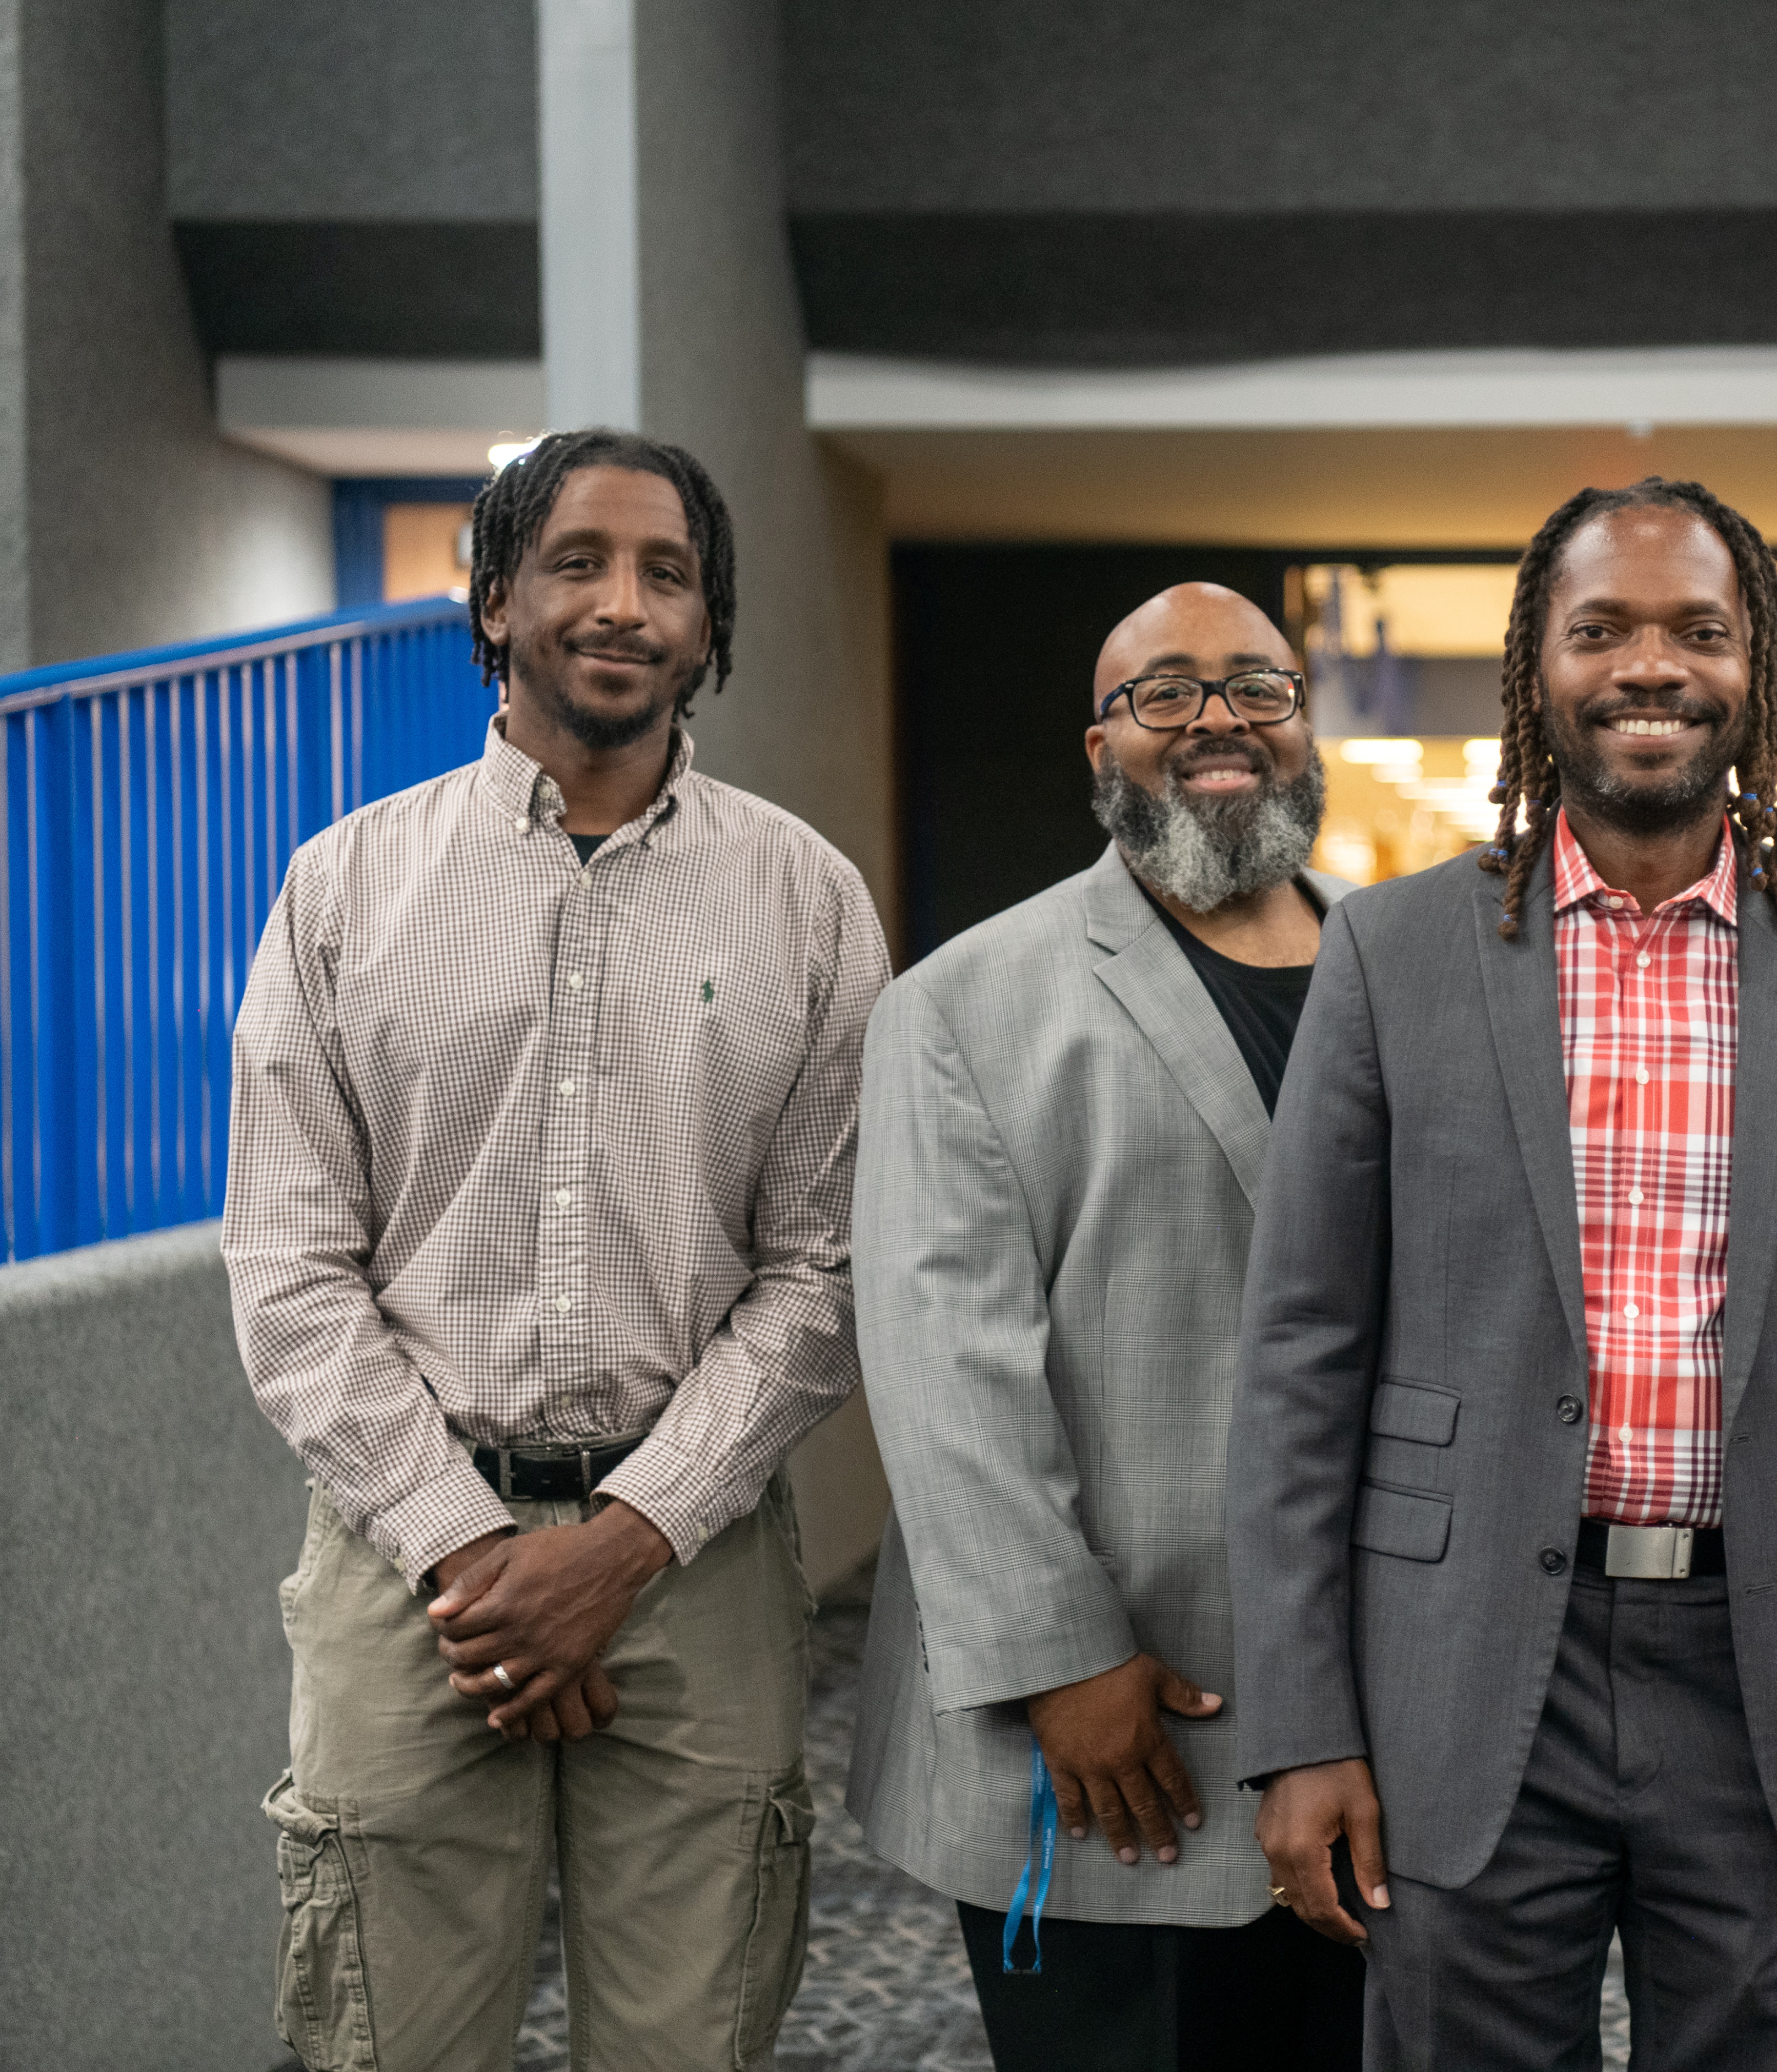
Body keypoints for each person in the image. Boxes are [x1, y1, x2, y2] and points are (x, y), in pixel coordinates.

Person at [1226, 476, 1777, 2071]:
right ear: (1539, 664)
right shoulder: (1392, 955)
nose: (1649, 668)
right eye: (1599, 629)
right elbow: (1300, 1359)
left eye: (1698, 631)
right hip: (1461, 1679)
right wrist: (1304, 1723)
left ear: (1760, 669)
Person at [226, 429, 887, 2068]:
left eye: (668, 573)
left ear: (711, 626)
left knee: (693, 2042)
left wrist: (622, 1546)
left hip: (700, 1565)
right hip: (406, 1567)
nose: (622, 603)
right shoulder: (343, 887)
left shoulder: (807, 901)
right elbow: (293, 1269)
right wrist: (473, 1553)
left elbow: (825, 1266)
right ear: (497, 597)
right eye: (579, 561)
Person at [847, 582, 1364, 2069]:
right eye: (1165, 693)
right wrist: (1059, 1657)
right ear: (1100, 745)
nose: (1216, 718)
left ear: (1303, 727)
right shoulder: (965, 1001)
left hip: (1374, 1719)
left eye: (1257, 687)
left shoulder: (1412, 971)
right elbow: (942, 1352)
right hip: (1110, 1733)